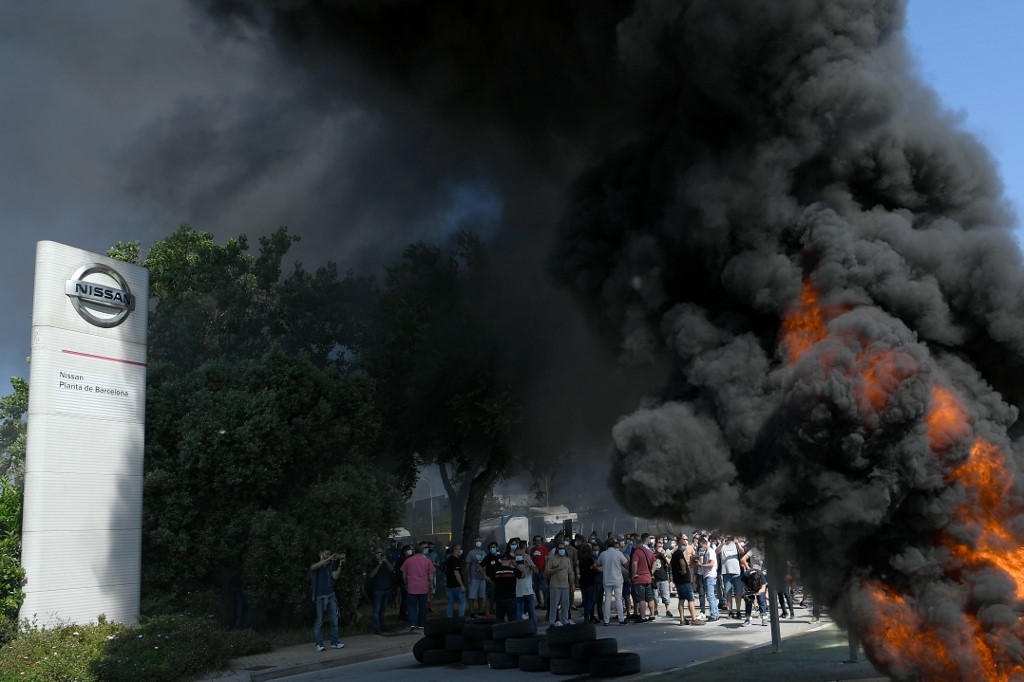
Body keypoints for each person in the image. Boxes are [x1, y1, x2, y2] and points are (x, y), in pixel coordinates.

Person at [310, 548, 346, 651]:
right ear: (320, 554)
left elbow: (335, 577)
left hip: (331, 596)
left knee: (334, 620)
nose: (328, 556)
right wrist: (328, 558)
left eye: (329, 554)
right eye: (326, 554)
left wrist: (340, 564)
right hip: (319, 597)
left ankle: (334, 642)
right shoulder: (316, 566)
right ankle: (319, 644)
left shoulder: (330, 565)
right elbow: (314, 567)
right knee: (319, 621)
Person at [401, 541, 436, 630]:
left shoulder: (408, 561)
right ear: (422, 551)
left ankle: (412, 623)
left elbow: (404, 573)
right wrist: (431, 585)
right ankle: (421, 623)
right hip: (423, 587)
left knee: (412, 606)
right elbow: (431, 574)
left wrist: (405, 583)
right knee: (423, 606)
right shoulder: (427, 561)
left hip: (412, 586)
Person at [670, 537, 702, 625]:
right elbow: (682, 563)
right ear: (680, 545)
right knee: (690, 599)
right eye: (684, 545)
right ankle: (694, 619)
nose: (685, 547)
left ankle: (682, 619)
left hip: (678, 580)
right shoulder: (679, 553)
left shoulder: (674, 554)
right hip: (684, 580)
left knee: (681, 600)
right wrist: (684, 570)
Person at [597, 538, 629, 625]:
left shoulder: (603, 554)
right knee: (618, 599)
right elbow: (626, 563)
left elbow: (598, 563)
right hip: (617, 579)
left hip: (607, 579)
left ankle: (606, 620)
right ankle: (621, 619)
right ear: (614, 545)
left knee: (607, 600)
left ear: (606, 545)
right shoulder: (618, 553)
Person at [544, 540, 575, 626]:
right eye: (560, 548)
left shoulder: (567, 559)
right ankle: (552, 621)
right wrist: (557, 568)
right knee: (554, 605)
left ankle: (565, 620)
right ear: (557, 549)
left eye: (563, 548)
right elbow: (546, 572)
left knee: (565, 605)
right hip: (555, 586)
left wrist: (572, 584)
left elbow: (570, 573)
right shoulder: (552, 559)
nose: (562, 550)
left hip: (565, 586)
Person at [366, 546, 394, 635]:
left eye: (381, 553)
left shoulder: (386, 561)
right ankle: (376, 628)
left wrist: (385, 561)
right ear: (374, 554)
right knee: (376, 610)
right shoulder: (372, 563)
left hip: (386, 588)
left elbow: (392, 569)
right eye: (377, 553)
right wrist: (379, 564)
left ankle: (382, 626)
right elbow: (371, 575)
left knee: (382, 610)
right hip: (377, 589)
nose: (379, 555)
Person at [631, 533, 657, 622]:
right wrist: (651, 572)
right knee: (650, 597)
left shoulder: (636, 552)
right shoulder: (648, 552)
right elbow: (655, 562)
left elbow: (634, 564)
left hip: (639, 579)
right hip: (648, 578)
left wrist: (634, 574)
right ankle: (652, 615)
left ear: (637, 544)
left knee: (641, 599)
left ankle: (642, 617)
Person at [719, 535, 745, 619]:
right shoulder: (723, 546)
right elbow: (716, 551)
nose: (729, 539)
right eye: (727, 537)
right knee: (728, 593)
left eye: (730, 537)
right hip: (726, 572)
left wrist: (737, 543)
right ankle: (730, 611)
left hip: (736, 572)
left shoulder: (736, 545)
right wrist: (722, 544)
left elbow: (742, 552)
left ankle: (738, 611)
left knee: (738, 592)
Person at [513, 545, 538, 632]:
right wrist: (515, 565)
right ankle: (519, 633)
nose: (519, 557)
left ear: (524, 554)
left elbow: (536, 571)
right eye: (517, 555)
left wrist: (530, 565)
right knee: (518, 616)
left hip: (529, 592)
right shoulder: (512, 563)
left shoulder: (528, 560)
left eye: (521, 555)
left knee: (533, 616)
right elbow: (519, 576)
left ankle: (535, 632)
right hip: (517, 593)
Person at [490, 553, 519, 622]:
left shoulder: (496, 571)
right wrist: (516, 565)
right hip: (510, 598)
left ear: (501, 560)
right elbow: (523, 575)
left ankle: (499, 632)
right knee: (512, 620)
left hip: (499, 598)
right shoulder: (513, 571)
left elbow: (491, 580)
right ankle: (511, 632)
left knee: (499, 620)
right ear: (510, 561)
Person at [697, 536, 720, 621]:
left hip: (710, 575)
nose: (701, 547)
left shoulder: (710, 551)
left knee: (710, 596)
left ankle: (713, 614)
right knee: (712, 596)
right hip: (708, 575)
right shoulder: (707, 552)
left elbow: (711, 564)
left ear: (704, 543)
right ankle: (716, 613)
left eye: (701, 545)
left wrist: (701, 565)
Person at [464, 535, 487, 618]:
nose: (478, 542)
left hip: (482, 578)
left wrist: (486, 575)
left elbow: (485, 566)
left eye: (479, 541)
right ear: (474, 543)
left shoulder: (484, 553)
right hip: (474, 577)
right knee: (472, 595)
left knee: (481, 595)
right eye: (477, 541)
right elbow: (467, 566)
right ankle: (472, 612)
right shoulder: (471, 553)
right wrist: (469, 577)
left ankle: (480, 611)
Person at [578, 541, 600, 623]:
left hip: (583, 580)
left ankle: (588, 616)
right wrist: (601, 568)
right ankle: (587, 616)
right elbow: (595, 567)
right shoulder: (589, 557)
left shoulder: (580, 557)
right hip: (590, 580)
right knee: (592, 599)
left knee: (586, 599)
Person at [479, 541, 502, 618]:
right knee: (489, 596)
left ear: (497, 548)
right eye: (491, 548)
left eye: (494, 547)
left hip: (499, 580)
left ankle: (495, 610)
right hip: (490, 580)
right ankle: (487, 612)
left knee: (498, 596)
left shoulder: (500, 557)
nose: (492, 549)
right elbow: (479, 566)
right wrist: (485, 576)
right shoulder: (487, 557)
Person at [445, 544, 467, 618]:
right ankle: (461, 619)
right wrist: (462, 585)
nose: (460, 550)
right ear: (455, 550)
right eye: (459, 549)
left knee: (450, 603)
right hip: (456, 585)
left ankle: (449, 619)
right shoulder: (455, 560)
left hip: (449, 585)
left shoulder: (449, 559)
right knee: (462, 602)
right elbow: (456, 573)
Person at [652, 539, 672, 617]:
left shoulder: (663, 555)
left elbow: (669, 563)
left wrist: (664, 555)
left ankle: (668, 610)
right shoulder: (652, 555)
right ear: (655, 547)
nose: (660, 548)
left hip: (663, 577)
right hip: (655, 578)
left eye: (661, 546)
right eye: (658, 546)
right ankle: (655, 610)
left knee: (666, 595)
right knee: (655, 596)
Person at [530, 535, 549, 611]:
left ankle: (546, 604)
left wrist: (545, 570)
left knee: (544, 588)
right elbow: (531, 560)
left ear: (541, 541)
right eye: (536, 540)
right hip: (535, 572)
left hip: (542, 571)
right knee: (536, 589)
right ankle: (539, 603)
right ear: (534, 541)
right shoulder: (532, 550)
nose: (538, 542)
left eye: (539, 540)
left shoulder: (544, 549)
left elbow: (546, 560)